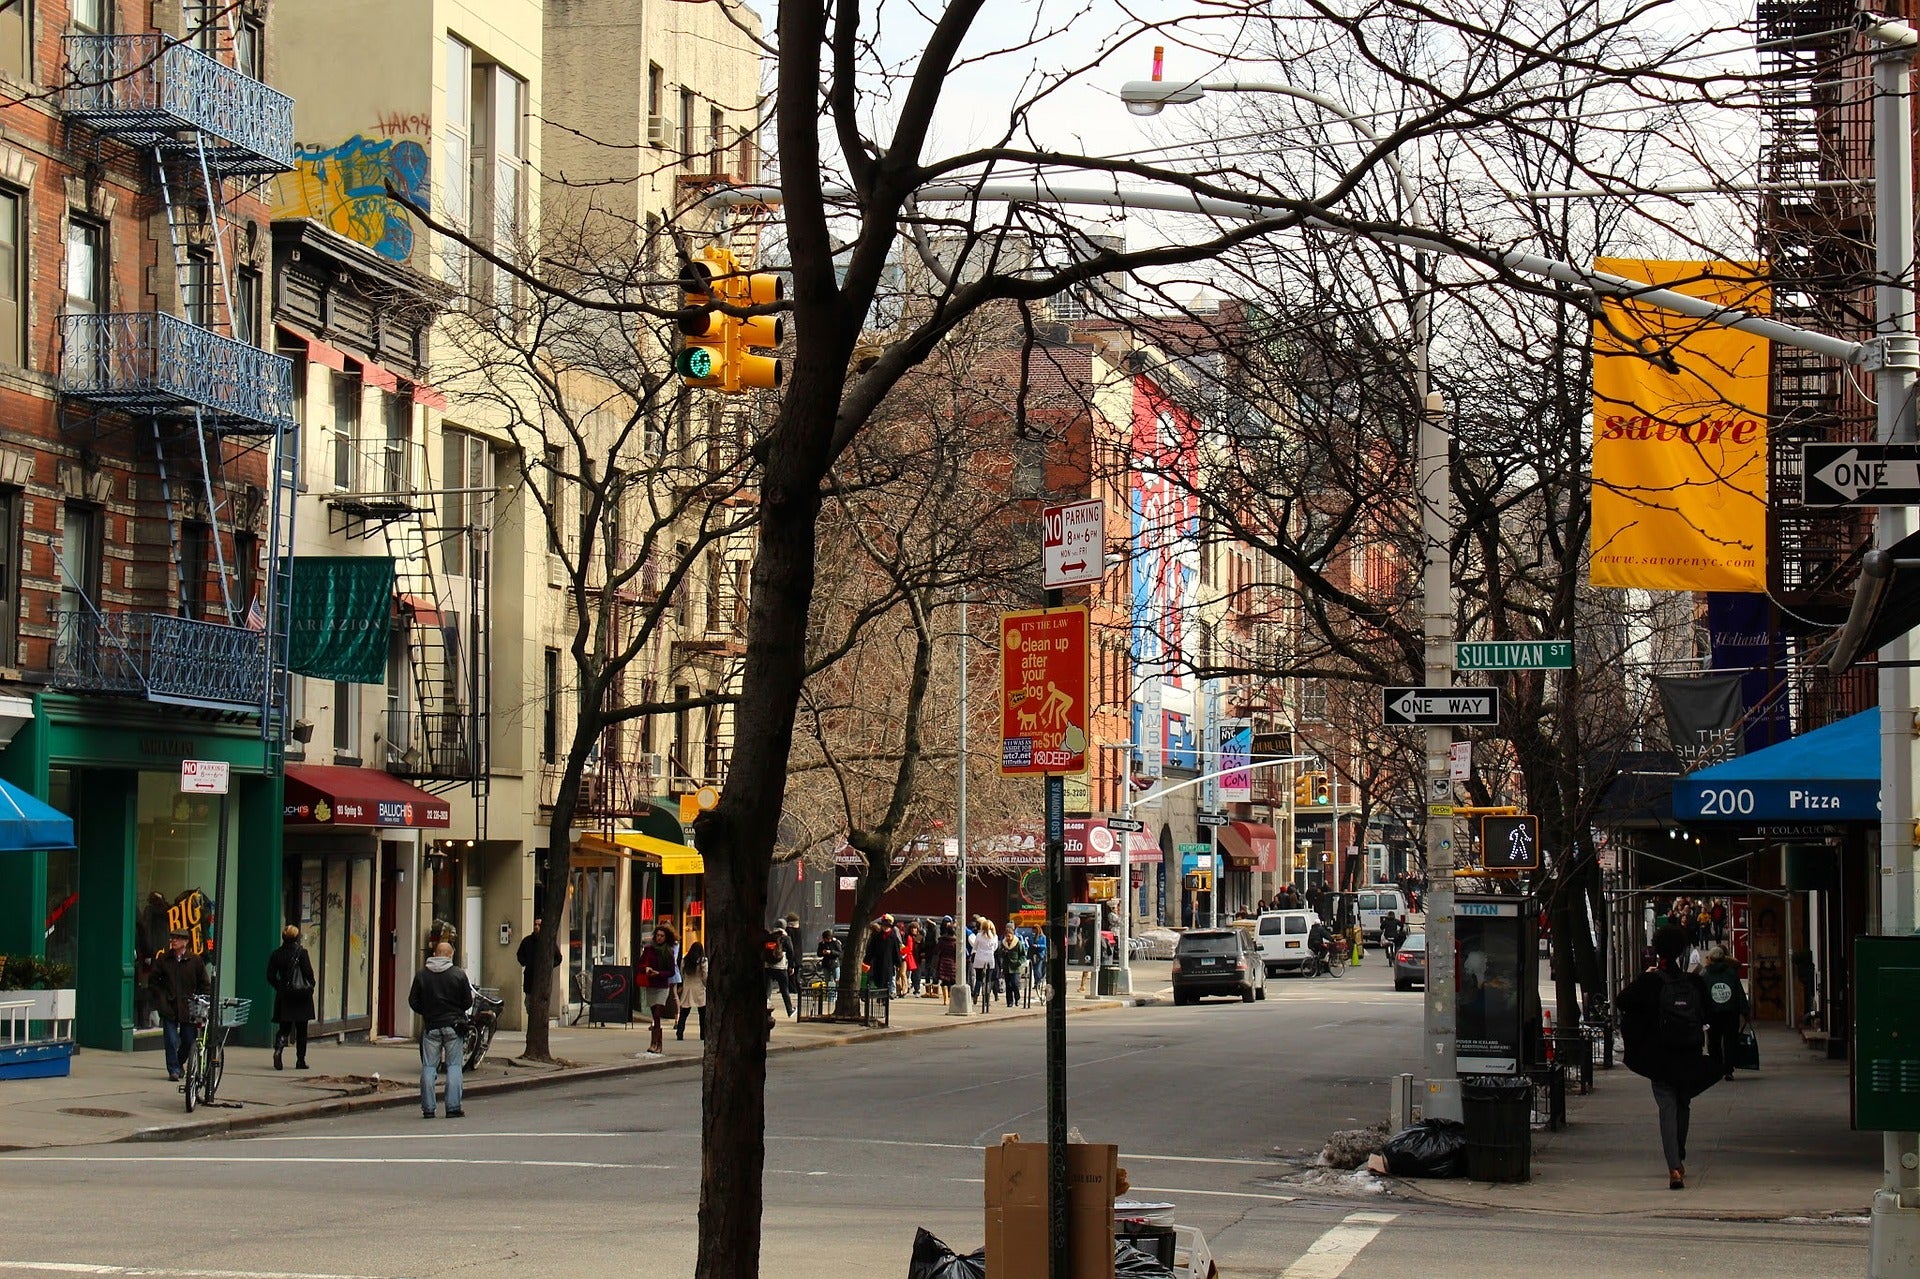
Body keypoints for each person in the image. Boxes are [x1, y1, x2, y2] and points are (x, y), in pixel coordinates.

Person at [1617, 923, 1722, 1189]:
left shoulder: (1650, 981)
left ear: (1657, 949)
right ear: (1682, 951)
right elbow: (1709, 1014)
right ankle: (1679, 1151)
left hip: (1659, 1055)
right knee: (1683, 1103)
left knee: (1666, 1107)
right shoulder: (1694, 983)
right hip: (1689, 1052)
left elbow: (1622, 1001)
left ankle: (1674, 1166)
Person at [408, 940, 474, 1119]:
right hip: (454, 1026)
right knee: (453, 1066)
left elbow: (413, 1001)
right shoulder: (458, 974)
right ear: (451, 955)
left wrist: (427, 1012)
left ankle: (428, 1108)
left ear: (435, 954)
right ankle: (453, 1107)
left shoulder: (422, 975)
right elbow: (468, 1001)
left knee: (429, 1066)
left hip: (431, 1026)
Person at [148, 928, 210, 1082]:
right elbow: (154, 982)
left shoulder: (195, 961)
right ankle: (174, 1070)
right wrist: (161, 1000)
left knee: (189, 1040)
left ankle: (179, 1062)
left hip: (189, 1007)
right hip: (169, 1005)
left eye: (177, 938)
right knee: (170, 1039)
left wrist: (203, 1000)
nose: (174, 941)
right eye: (172, 938)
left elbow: (204, 984)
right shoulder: (164, 960)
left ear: (185, 942)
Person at [265, 923, 316, 1071]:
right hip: (302, 996)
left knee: (284, 1028)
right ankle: (300, 1060)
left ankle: (279, 1049)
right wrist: (310, 986)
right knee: (302, 1030)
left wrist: (280, 986)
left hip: (285, 995)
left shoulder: (276, 954)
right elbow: (309, 974)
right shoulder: (302, 953)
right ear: (297, 937)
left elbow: (270, 976)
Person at [1700, 945, 1750, 1081]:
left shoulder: (1705, 974)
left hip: (1712, 1014)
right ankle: (1728, 1069)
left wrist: (1700, 1013)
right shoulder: (1730, 973)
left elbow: (1701, 996)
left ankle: (1716, 1068)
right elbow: (1739, 993)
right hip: (1730, 1013)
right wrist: (1745, 1011)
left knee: (1713, 1041)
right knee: (1730, 1041)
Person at [636, 923, 677, 1056]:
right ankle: (654, 1042)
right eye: (658, 935)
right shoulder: (649, 949)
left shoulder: (668, 952)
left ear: (666, 937)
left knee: (658, 1013)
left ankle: (657, 1044)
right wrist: (647, 969)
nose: (659, 938)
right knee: (654, 1015)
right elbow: (640, 965)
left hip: (662, 986)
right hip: (651, 984)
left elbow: (671, 972)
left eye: (662, 936)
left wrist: (659, 973)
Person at [515, 918, 561, 1020]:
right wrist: (526, 962)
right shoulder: (527, 941)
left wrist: (548, 966)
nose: (536, 927)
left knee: (540, 1005)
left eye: (539, 925)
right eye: (535, 924)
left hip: (542, 980)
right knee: (529, 1004)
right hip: (530, 979)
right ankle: (532, 1020)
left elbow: (558, 958)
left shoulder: (548, 941)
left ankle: (539, 1021)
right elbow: (520, 955)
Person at [675, 937, 707, 1040]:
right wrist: (705, 984)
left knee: (684, 1012)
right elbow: (705, 975)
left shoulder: (685, 960)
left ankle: (679, 1033)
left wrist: (685, 983)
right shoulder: (703, 960)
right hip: (699, 988)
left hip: (688, 988)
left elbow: (682, 973)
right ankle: (703, 1034)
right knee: (702, 1014)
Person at [864, 916, 900, 999]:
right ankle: (880, 997)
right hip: (878, 963)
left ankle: (884, 998)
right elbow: (871, 950)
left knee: (887, 981)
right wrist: (867, 961)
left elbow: (896, 951)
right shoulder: (876, 936)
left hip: (888, 964)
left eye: (887, 926)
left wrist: (898, 963)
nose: (885, 928)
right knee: (878, 980)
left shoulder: (893, 937)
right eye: (884, 926)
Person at [969, 917, 999, 1010]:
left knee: (978, 978)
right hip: (990, 958)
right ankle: (986, 999)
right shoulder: (994, 936)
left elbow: (975, 946)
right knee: (988, 980)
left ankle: (976, 993)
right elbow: (995, 948)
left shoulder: (978, 935)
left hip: (979, 958)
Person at [764, 926, 794, 1016]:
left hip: (768, 966)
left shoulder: (769, 937)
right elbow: (791, 952)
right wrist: (791, 966)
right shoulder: (785, 938)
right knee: (784, 989)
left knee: (767, 990)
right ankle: (790, 1010)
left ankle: (766, 1007)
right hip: (781, 968)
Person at [998, 925, 1025, 1007]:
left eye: (1009, 936)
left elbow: (1023, 955)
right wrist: (1003, 952)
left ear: (1012, 935)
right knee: (1008, 985)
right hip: (1007, 967)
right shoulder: (1003, 944)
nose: (1008, 938)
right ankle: (1009, 1001)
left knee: (1015, 984)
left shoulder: (1017, 943)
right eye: (1006, 936)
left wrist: (1019, 962)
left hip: (1015, 967)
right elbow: (1000, 954)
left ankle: (1017, 998)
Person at [934, 921, 960, 1000]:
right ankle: (951, 996)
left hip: (943, 962)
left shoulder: (942, 940)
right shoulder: (956, 942)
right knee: (952, 981)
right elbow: (958, 952)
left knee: (944, 981)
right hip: (952, 962)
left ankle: (945, 999)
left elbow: (936, 950)